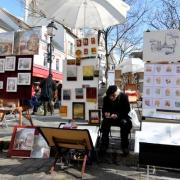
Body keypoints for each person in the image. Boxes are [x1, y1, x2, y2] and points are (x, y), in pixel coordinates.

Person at [100, 85, 132, 157]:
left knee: (125, 124)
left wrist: (118, 115)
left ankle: (124, 146)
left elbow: (127, 110)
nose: (111, 98)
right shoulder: (106, 98)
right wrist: (106, 113)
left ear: (117, 93)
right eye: (110, 96)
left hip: (122, 117)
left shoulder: (124, 97)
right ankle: (104, 145)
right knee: (105, 123)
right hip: (110, 118)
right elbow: (104, 109)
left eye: (113, 96)